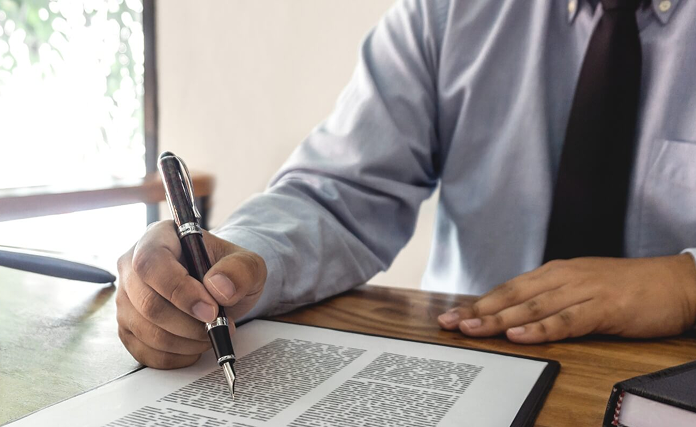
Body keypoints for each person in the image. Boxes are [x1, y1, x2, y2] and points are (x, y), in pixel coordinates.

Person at [115, 0, 696, 369]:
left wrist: (687, 285)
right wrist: (236, 261)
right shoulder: (448, 12)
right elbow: (340, 197)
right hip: (469, 358)